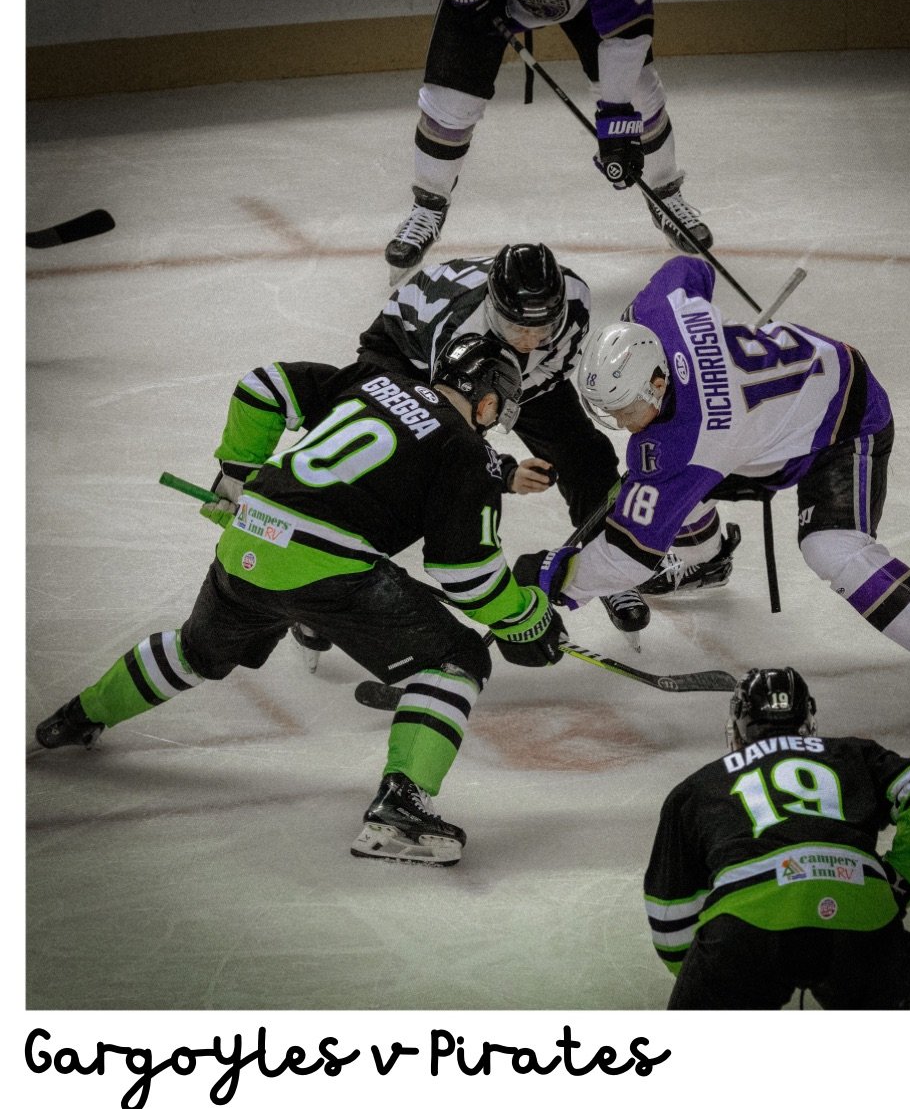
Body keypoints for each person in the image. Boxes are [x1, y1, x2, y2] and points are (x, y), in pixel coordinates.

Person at [33, 334, 565, 867]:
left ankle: (78, 716)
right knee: (455, 659)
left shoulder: (375, 382)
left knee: (194, 651)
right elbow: (467, 575)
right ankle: (401, 810)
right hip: (327, 570)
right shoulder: (466, 450)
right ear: (487, 403)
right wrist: (526, 616)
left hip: (249, 539)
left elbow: (263, 386)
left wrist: (237, 475)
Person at [514, 255, 910, 734]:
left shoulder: (687, 441)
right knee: (665, 486)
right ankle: (705, 558)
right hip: (776, 414)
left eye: (626, 410)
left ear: (658, 382)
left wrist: (557, 584)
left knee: (831, 547)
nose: (623, 425)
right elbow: (690, 269)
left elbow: (628, 555)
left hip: (844, 417)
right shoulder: (656, 313)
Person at [357, 240, 650, 639]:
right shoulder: (461, 330)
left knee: (585, 455)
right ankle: (338, 573)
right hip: (407, 355)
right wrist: (506, 472)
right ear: (494, 312)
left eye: (542, 330)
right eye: (517, 328)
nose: (529, 340)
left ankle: (608, 568)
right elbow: (450, 437)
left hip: (504, 370)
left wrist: (508, 402)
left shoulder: (575, 299)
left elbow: (551, 370)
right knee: (398, 466)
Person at [644, 666, 910, 1009]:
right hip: (862, 914)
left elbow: (670, 917)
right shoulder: (851, 753)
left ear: (737, 726)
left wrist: (702, 974)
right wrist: (902, 880)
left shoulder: (698, 786)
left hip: (745, 928)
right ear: (807, 718)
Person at [384, 0, 712, 271]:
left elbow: (628, 31)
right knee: (449, 105)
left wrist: (616, 116)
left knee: (639, 95)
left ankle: (665, 194)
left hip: (586, 1)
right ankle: (428, 205)